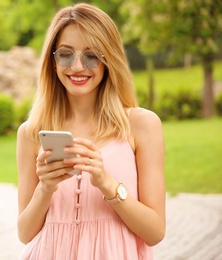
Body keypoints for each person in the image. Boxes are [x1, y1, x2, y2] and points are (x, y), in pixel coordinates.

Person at [16, 3, 165, 259]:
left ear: (108, 61)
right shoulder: (31, 133)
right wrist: (46, 187)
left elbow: (155, 232)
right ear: (52, 62)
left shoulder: (142, 125)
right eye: (65, 54)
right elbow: (25, 233)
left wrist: (107, 184)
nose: (76, 67)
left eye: (91, 55)